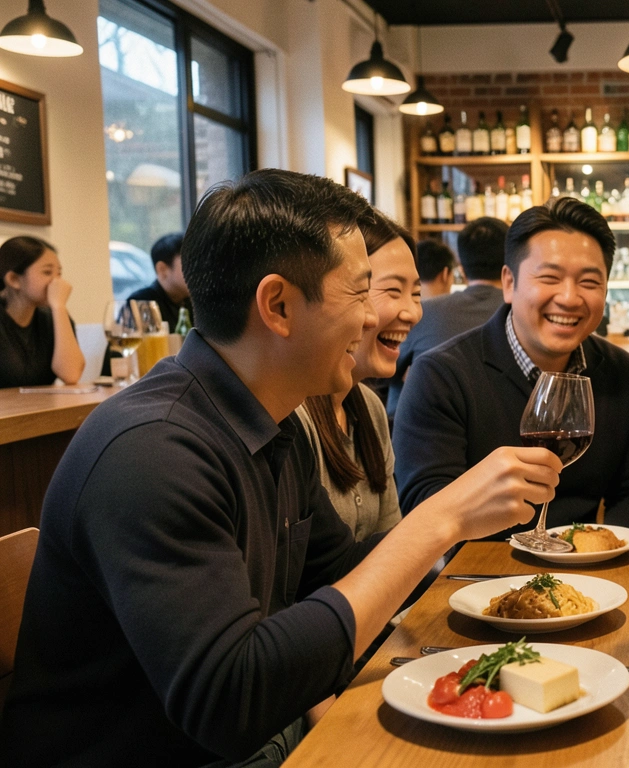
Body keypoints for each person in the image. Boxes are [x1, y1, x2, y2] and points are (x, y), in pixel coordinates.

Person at [0, 170, 561, 767]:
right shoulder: (152, 450)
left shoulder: (277, 425)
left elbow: (344, 573)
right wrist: (440, 520)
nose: (375, 319)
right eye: (359, 293)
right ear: (278, 305)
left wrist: (518, 592)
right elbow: (229, 702)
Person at [394, 197, 629, 536]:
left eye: (589, 282)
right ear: (509, 283)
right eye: (550, 277)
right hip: (478, 576)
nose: (569, 297)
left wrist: (598, 549)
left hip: (588, 575)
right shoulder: (442, 375)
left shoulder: (619, 371)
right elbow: (425, 506)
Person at [297, 208, 420, 541]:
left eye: (417, 294)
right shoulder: (291, 417)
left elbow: (389, 547)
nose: (412, 312)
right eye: (392, 291)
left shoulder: (369, 407)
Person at [387, 220, 508, 416]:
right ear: (509, 265)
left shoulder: (425, 312)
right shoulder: (521, 315)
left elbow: (387, 372)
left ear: (461, 268)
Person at [0, 235, 84, 388]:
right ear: (14, 279)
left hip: (41, 410)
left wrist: (59, 307)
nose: (57, 282)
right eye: (47, 272)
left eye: (59, 273)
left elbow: (71, 375)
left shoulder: (54, 317)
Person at [128, 232, 192, 329]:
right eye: (190, 265)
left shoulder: (199, 303)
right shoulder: (140, 303)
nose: (199, 272)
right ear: (162, 269)